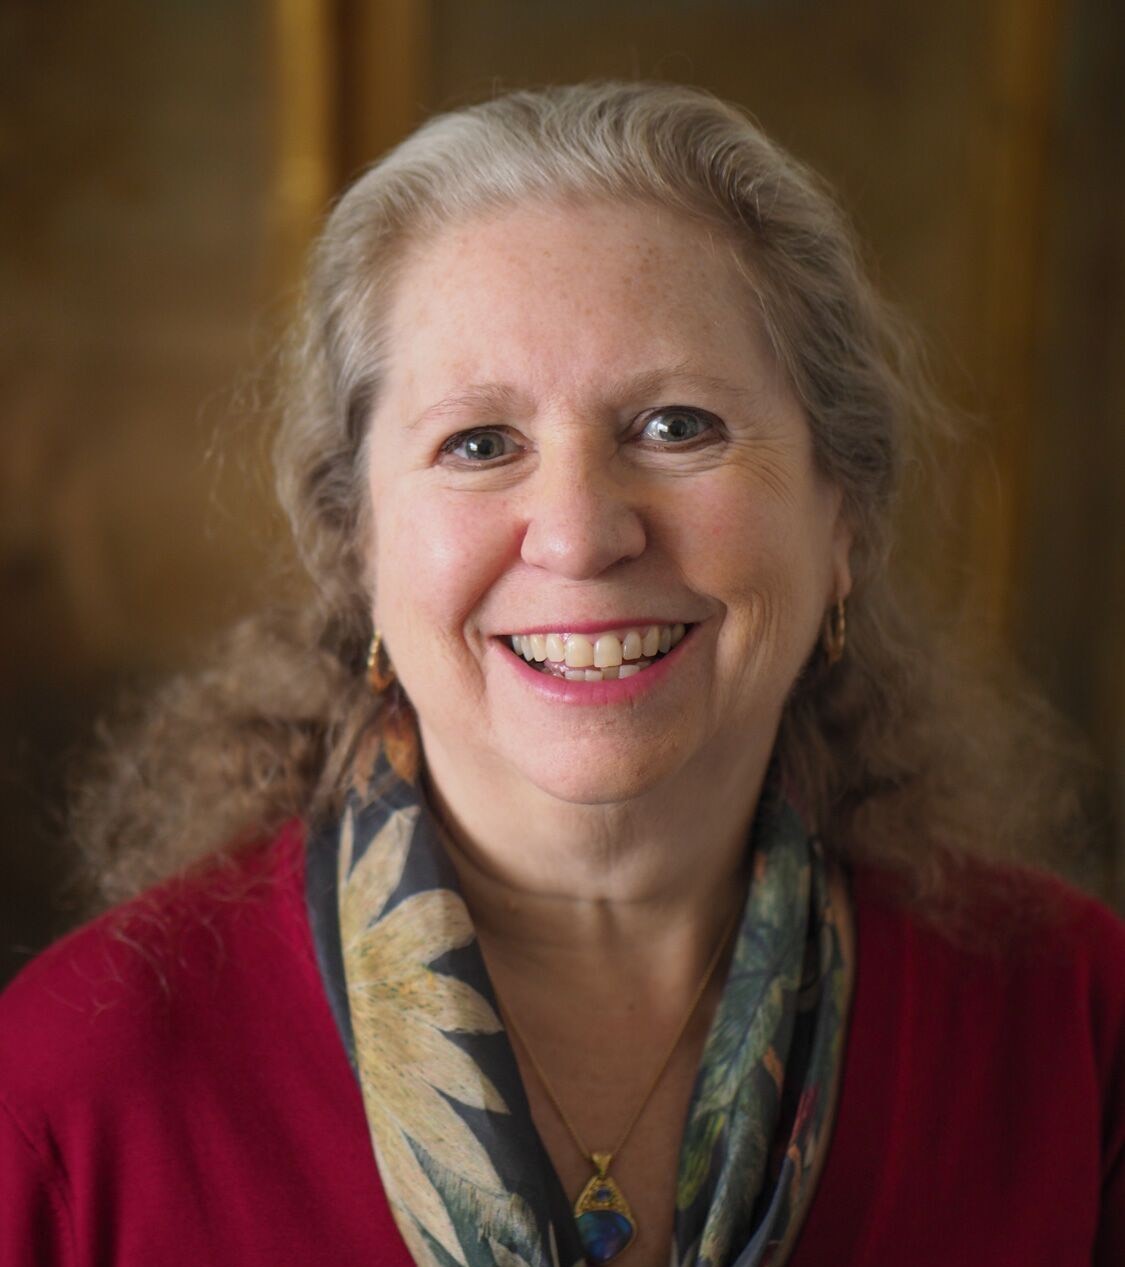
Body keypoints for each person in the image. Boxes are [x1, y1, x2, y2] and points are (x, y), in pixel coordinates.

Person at [1, 82, 1122, 1267]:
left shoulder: (1076, 1033)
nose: (581, 534)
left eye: (678, 426)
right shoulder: (68, 1101)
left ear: (840, 516)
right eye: (480, 443)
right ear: (358, 545)